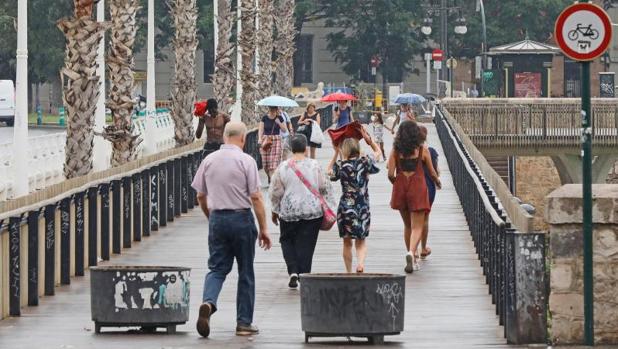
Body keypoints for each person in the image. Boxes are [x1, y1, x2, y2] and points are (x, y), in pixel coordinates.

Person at [192, 122, 273, 338]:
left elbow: (200, 195)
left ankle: (208, 302)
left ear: (225, 137)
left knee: (217, 268)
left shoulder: (208, 160)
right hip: (241, 219)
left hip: (218, 218)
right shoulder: (246, 161)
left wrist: (211, 217)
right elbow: (255, 197)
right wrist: (264, 228)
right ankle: (244, 323)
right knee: (246, 271)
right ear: (243, 139)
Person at [269, 134, 335, 288]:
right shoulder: (314, 165)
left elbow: (275, 191)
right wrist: (330, 205)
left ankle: (292, 270)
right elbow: (324, 186)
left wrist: (275, 209)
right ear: (306, 148)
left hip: (289, 211)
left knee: (286, 240)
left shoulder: (283, 167)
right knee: (307, 243)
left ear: (291, 149)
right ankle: (304, 274)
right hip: (312, 211)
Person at [388, 121, 441, 274]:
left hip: (401, 187)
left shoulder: (395, 151)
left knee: (407, 226)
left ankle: (411, 254)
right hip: (417, 187)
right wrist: (437, 182)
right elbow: (431, 173)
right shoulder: (422, 150)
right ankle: (412, 253)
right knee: (417, 226)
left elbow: (390, 174)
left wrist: (397, 183)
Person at [331, 138, 380, 273]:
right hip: (362, 206)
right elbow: (378, 152)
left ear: (344, 150)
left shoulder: (341, 165)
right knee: (361, 241)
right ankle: (360, 264)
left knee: (347, 243)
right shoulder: (365, 162)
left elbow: (329, 172)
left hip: (345, 208)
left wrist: (336, 153)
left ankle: (348, 271)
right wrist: (370, 140)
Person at [419, 125, 439, 260]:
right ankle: (423, 248)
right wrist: (438, 181)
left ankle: (411, 249)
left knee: (412, 220)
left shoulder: (409, 151)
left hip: (413, 187)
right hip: (428, 187)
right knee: (425, 218)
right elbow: (435, 171)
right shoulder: (430, 151)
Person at [258, 106, 288, 183]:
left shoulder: (280, 117)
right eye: (271, 108)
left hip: (276, 140)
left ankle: (273, 182)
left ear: (276, 109)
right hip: (266, 140)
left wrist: (279, 122)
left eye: (274, 108)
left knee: (273, 164)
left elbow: (284, 130)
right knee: (265, 164)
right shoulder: (264, 118)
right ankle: (269, 176)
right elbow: (261, 129)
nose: (272, 110)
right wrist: (260, 139)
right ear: (269, 108)